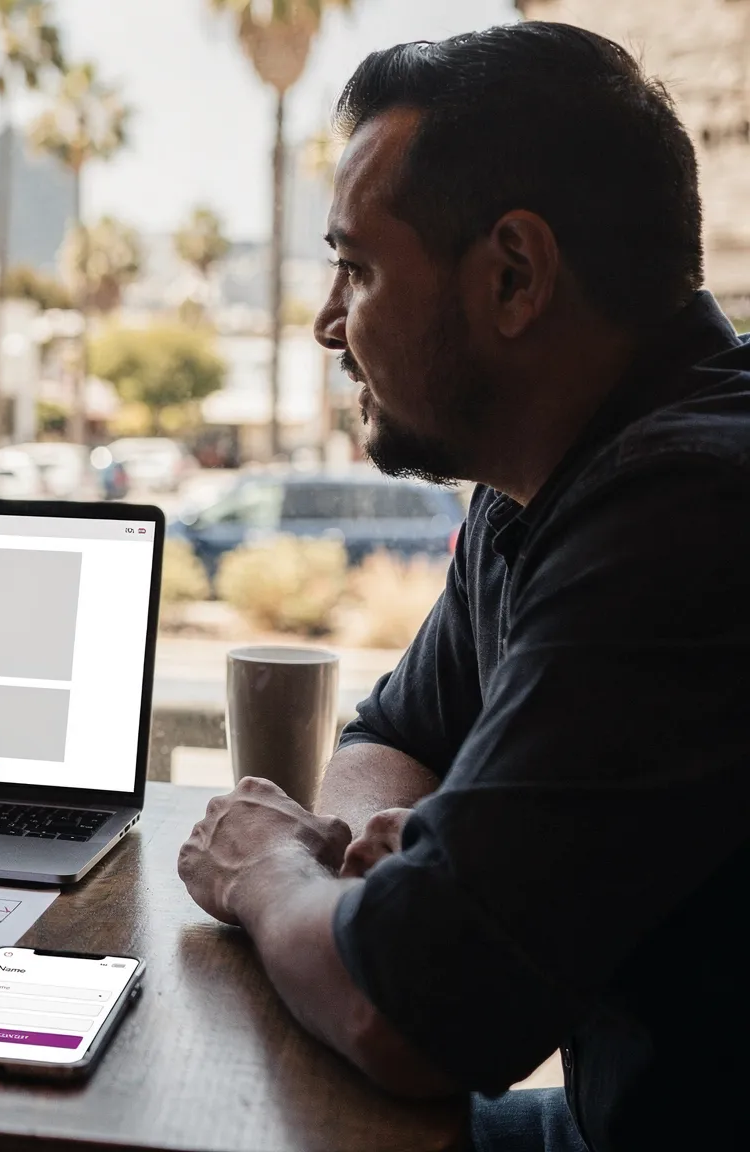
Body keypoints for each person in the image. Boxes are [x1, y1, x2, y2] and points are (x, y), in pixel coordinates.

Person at [175, 23, 750, 1152]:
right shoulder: (543, 471)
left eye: (358, 266)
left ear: (512, 277)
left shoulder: (687, 516)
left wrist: (264, 874)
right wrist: (363, 888)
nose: (326, 322)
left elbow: (415, 1014)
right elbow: (393, 732)